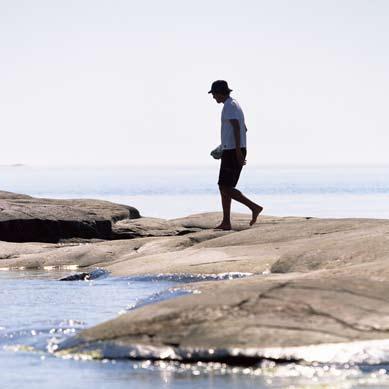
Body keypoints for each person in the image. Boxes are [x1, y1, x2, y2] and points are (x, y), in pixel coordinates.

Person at [209, 80, 263, 230]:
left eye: (214, 94)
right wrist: (224, 146)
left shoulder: (229, 106)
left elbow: (237, 128)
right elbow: (244, 128)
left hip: (234, 150)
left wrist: (238, 151)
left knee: (225, 187)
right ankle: (226, 222)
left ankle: (254, 207)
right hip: (231, 149)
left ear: (220, 93)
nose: (213, 97)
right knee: (224, 186)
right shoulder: (234, 104)